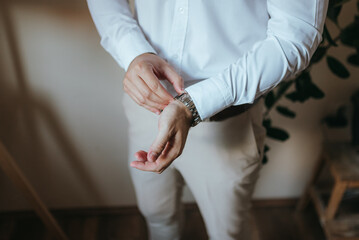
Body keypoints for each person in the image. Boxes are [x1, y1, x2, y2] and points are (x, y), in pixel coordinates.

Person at [87, 0, 328, 239]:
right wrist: (134, 52)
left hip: (226, 123)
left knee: (228, 233)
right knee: (157, 215)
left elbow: (295, 36)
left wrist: (193, 105)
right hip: (145, 106)